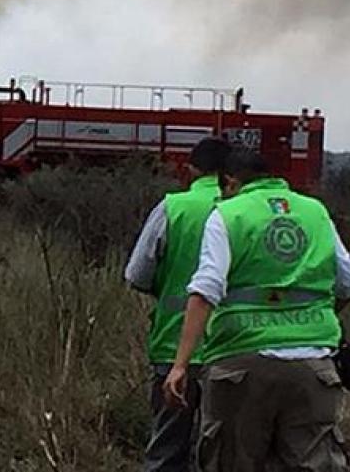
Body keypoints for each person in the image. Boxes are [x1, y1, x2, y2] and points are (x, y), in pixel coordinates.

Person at [164, 148, 350, 471]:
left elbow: (205, 290)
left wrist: (180, 365)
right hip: (313, 366)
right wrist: (316, 317)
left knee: (231, 461)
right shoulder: (315, 212)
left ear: (229, 182)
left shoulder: (229, 214)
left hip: (241, 363)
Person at [124, 137, 231, 472]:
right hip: (234, 348)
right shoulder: (242, 211)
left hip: (173, 349)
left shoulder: (172, 207)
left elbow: (137, 274)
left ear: (191, 168)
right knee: (226, 453)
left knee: (167, 449)